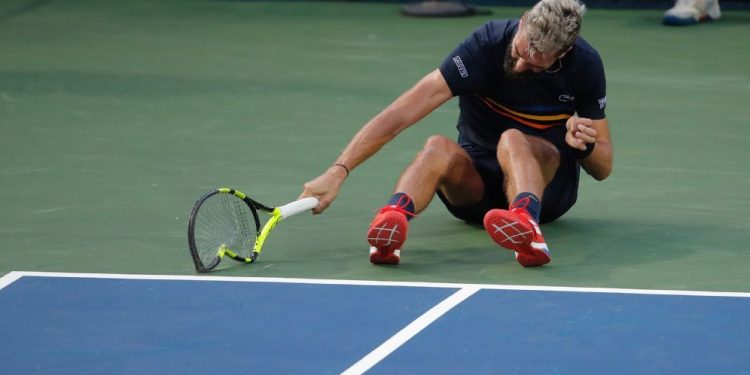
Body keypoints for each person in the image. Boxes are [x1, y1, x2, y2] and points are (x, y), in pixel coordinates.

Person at [299, 0, 612, 268]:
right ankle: (391, 224)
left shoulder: (584, 65)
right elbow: (400, 114)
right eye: (518, 51)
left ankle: (528, 228)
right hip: (476, 191)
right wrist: (338, 171)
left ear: (563, 52)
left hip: (546, 189)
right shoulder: (484, 45)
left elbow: (604, 166)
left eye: (533, 66)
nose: (518, 66)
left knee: (512, 138)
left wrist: (584, 148)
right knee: (436, 146)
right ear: (522, 22)